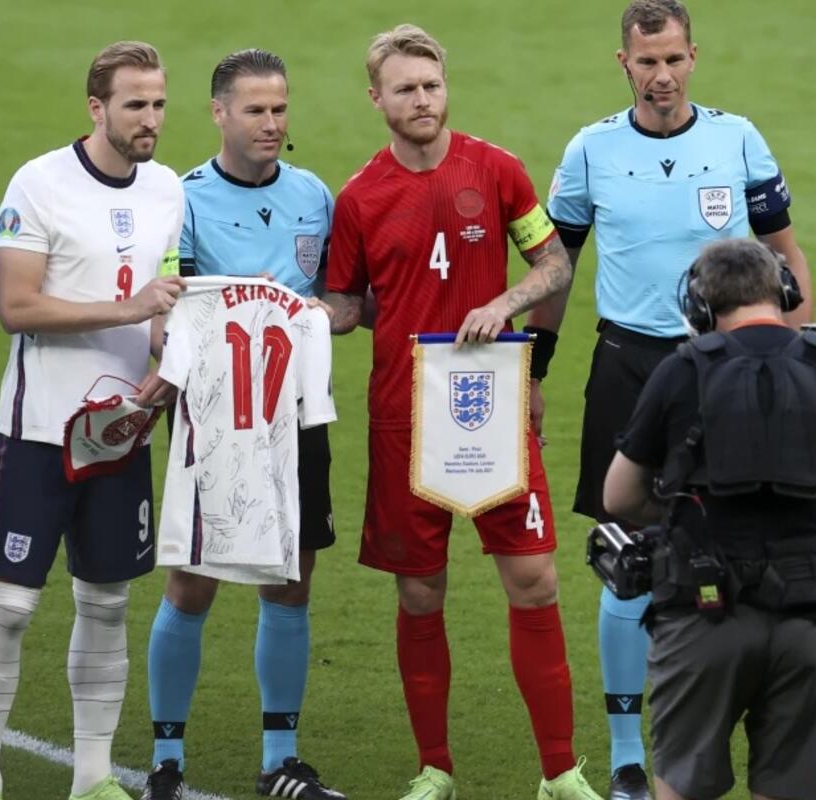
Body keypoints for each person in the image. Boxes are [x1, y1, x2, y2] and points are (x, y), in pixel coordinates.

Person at [536, 2, 815, 795]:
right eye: (646, 61)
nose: (661, 76)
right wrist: (534, 373)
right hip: (628, 364)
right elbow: (556, 269)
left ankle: (733, 732)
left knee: (742, 540)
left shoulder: (738, 139)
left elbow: (787, 261)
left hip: (727, 364)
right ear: (622, 62)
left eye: (673, 59)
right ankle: (628, 757)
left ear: (694, 56)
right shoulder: (590, 150)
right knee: (628, 554)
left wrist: (797, 363)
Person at [324, 24, 602, 800]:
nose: (422, 99)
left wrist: (503, 304)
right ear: (376, 98)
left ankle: (560, 772)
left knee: (535, 580)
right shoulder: (359, 197)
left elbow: (554, 262)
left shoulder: (498, 170)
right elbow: (344, 303)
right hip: (404, 416)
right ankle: (436, 768)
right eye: (405, 89)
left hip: (491, 405)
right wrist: (287, 312)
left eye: (432, 85)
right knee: (420, 594)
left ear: (446, 88)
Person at [602, 238, 816, 800]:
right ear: (783, 292)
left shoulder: (680, 370)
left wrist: (681, 510)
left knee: (682, 786)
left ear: (700, 307)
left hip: (703, 612)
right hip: (815, 615)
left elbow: (619, 496)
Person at [0, 42, 186, 800]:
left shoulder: (166, 191)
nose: (150, 119)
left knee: (108, 601)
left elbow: (163, 307)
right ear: (96, 107)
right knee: (10, 605)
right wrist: (129, 310)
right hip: (40, 431)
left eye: (158, 103)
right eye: (134, 104)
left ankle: (92, 776)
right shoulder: (40, 183)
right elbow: (17, 308)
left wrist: (168, 361)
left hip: (122, 432)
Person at [138, 49, 346, 800]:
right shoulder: (184, 199)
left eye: (279, 108)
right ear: (219, 112)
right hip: (215, 420)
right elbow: (166, 315)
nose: (270, 122)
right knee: (193, 581)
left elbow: (347, 300)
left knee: (290, 580)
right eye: (255, 109)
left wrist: (323, 314)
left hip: (298, 415)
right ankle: (166, 761)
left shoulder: (314, 195)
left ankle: (280, 760)